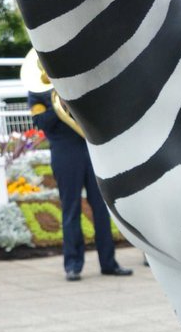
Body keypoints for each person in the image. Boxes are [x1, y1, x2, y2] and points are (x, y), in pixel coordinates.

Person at [20, 50, 132, 280]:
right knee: (70, 209)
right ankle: (73, 265)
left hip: (90, 150)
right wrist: (59, 104)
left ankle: (108, 263)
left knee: (102, 208)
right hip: (64, 152)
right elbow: (43, 123)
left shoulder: (76, 83)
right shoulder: (37, 92)